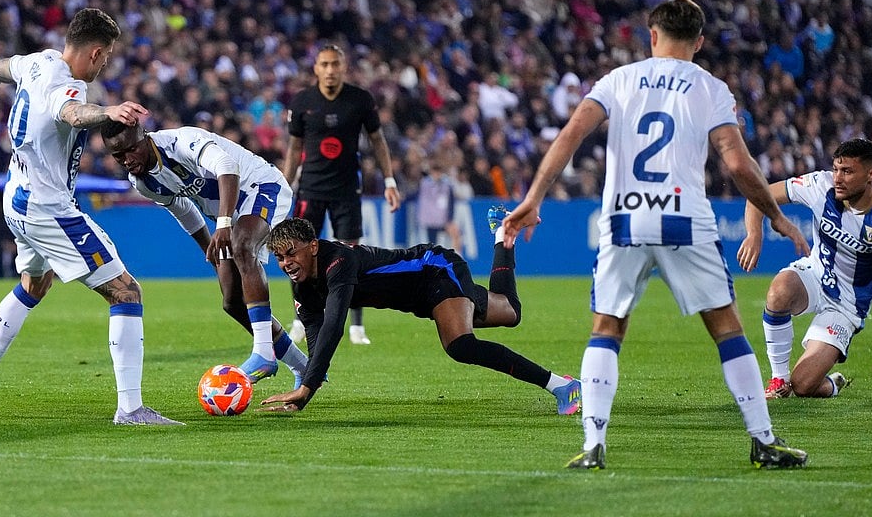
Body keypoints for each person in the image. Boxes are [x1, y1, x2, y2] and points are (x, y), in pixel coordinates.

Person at [502, 0, 811, 470]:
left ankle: (593, 446)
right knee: (727, 329)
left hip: (625, 219)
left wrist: (534, 197)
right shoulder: (710, 87)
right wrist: (774, 214)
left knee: (606, 329)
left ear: (652, 35)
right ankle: (763, 441)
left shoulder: (618, 80)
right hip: (685, 218)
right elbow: (735, 162)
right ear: (700, 41)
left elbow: (569, 135)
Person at [0, 8, 180, 426]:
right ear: (95, 53)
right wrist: (109, 112)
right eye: (107, 56)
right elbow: (73, 114)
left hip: (15, 195)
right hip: (47, 207)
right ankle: (130, 409)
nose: (107, 63)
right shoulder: (66, 86)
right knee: (126, 291)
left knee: (34, 284)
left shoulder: (36, 61)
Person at [256, 214, 582, 415]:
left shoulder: (338, 261)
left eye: (291, 253)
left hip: (434, 269)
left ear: (312, 246)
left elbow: (334, 325)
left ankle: (561, 386)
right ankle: (504, 237)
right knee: (510, 312)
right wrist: (313, 376)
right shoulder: (302, 285)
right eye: (279, 258)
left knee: (460, 345)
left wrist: (307, 387)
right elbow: (316, 331)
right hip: (420, 298)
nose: (286, 263)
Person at [100, 119, 310, 386]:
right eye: (117, 156)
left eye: (130, 150)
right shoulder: (143, 182)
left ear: (144, 137)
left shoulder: (181, 142)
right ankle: (302, 366)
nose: (126, 160)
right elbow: (184, 210)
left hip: (262, 186)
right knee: (232, 301)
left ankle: (263, 353)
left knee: (243, 245)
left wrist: (222, 224)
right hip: (232, 216)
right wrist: (211, 252)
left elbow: (227, 168)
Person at [737, 138, 872, 399]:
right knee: (779, 291)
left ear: (871, 174)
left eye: (847, 171)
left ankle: (830, 384)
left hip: (847, 305)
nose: (838, 178)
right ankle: (778, 380)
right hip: (815, 273)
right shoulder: (819, 185)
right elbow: (758, 194)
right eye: (836, 169)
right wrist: (754, 234)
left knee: (804, 386)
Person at [282, 43, 402, 345]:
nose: (330, 70)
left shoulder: (360, 100)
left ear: (343, 67)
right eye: (325, 64)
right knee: (297, 256)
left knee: (351, 255)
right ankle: (300, 319)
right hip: (310, 188)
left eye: (335, 64)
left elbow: (378, 140)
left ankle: (357, 326)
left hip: (347, 189)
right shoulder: (302, 101)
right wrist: (285, 186)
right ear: (316, 69)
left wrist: (389, 181)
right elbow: (294, 148)